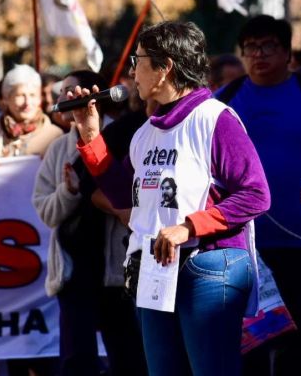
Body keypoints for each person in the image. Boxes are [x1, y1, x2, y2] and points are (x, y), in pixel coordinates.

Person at [72, 21, 270, 376]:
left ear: (165, 69)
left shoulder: (214, 119)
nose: (133, 71)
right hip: (154, 266)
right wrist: (90, 136)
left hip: (209, 263)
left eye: (139, 60)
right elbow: (124, 197)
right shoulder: (145, 132)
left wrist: (188, 227)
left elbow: (255, 194)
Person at [216, 15, 301, 376]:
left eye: (268, 46)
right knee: (249, 343)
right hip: (243, 246)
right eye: (250, 48)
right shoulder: (224, 100)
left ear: (287, 52)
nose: (258, 55)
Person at [32, 70, 146, 376]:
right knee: (77, 359)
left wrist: (117, 206)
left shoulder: (125, 134)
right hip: (74, 269)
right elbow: (46, 211)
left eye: (76, 91)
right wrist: (69, 192)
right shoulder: (57, 149)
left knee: (128, 356)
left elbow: (133, 195)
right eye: (63, 92)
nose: (68, 99)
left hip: (117, 269)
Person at [0, 65, 62, 169]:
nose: (27, 102)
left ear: (40, 98)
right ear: (6, 99)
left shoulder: (55, 136)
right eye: (20, 95)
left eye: (33, 95)